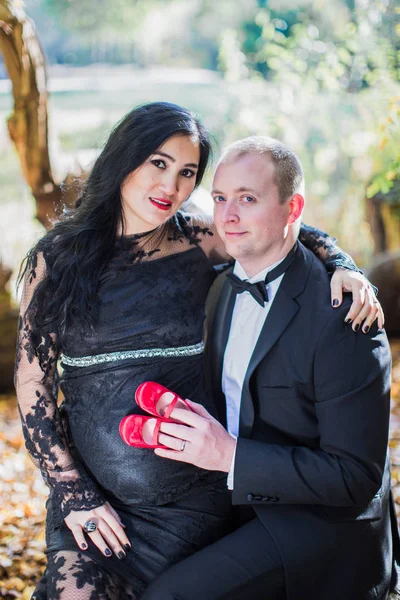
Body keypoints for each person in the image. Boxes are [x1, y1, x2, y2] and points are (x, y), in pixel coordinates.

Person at [14, 103, 382, 600]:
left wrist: (342, 263)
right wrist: (73, 492)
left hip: (194, 501)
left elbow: (278, 230)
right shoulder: (54, 259)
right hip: (92, 500)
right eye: (158, 164)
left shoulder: (195, 239)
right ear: (125, 158)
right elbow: (32, 382)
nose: (171, 186)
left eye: (187, 173)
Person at [141, 136, 398, 600]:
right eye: (220, 199)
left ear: (292, 208)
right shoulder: (220, 289)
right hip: (232, 502)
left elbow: (356, 478)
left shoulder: (346, 315)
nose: (228, 216)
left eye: (248, 199)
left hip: (319, 525)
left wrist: (229, 456)